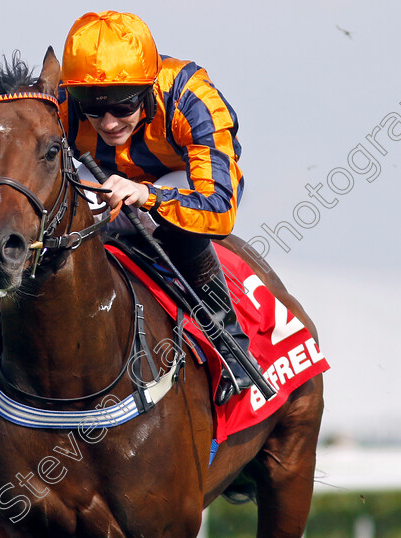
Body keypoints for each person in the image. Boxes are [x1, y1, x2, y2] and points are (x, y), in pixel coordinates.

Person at [59, 11, 261, 405]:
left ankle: (230, 343)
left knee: (171, 226)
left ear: (149, 89)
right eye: (93, 109)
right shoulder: (67, 100)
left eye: (123, 107)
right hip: (107, 176)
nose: (108, 122)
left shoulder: (192, 97)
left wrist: (148, 195)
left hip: (183, 179)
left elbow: (219, 209)